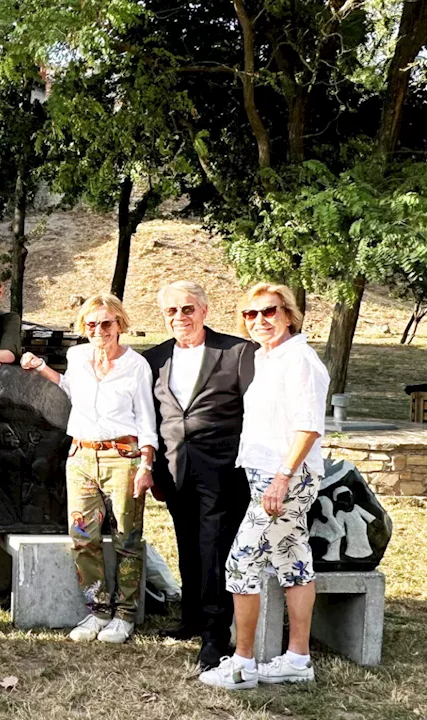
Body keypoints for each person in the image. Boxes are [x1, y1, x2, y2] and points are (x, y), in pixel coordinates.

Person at [200, 283, 327, 690]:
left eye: (269, 312)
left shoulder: (299, 360)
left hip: (284, 477)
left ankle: (242, 664)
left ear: (288, 314)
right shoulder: (267, 358)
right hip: (267, 475)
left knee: (241, 563)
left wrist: (282, 477)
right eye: (251, 315)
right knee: (294, 561)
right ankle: (297, 659)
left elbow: (308, 426)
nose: (260, 321)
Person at [21, 293, 157, 644]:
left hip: (123, 457)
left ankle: (125, 615)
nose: (99, 330)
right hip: (81, 456)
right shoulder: (77, 357)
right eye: (92, 324)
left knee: (127, 537)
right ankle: (96, 610)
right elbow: (70, 388)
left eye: (106, 323)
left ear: (120, 325)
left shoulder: (136, 366)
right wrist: (41, 369)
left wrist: (146, 463)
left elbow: (146, 417)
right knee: (83, 538)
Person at [141, 281, 254, 670]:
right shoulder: (154, 358)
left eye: (187, 309)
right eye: (171, 311)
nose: (179, 317)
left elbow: (253, 412)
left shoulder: (237, 352)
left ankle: (214, 635)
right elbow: (152, 418)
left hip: (223, 469)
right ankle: (190, 618)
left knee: (214, 549)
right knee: (186, 542)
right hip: (174, 468)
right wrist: (153, 467)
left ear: (205, 310)